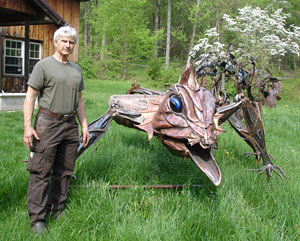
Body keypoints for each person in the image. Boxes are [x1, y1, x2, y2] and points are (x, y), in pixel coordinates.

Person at [23, 25, 89, 234]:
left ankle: (57, 209)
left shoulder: (76, 70)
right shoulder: (43, 66)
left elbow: (79, 100)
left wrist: (84, 124)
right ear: (56, 42)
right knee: (41, 171)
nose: (68, 45)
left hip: (70, 126)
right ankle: (37, 220)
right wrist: (27, 127)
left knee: (65, 171)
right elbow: (30, 97)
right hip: (47, 123)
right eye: (64, 41)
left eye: (71, 42)